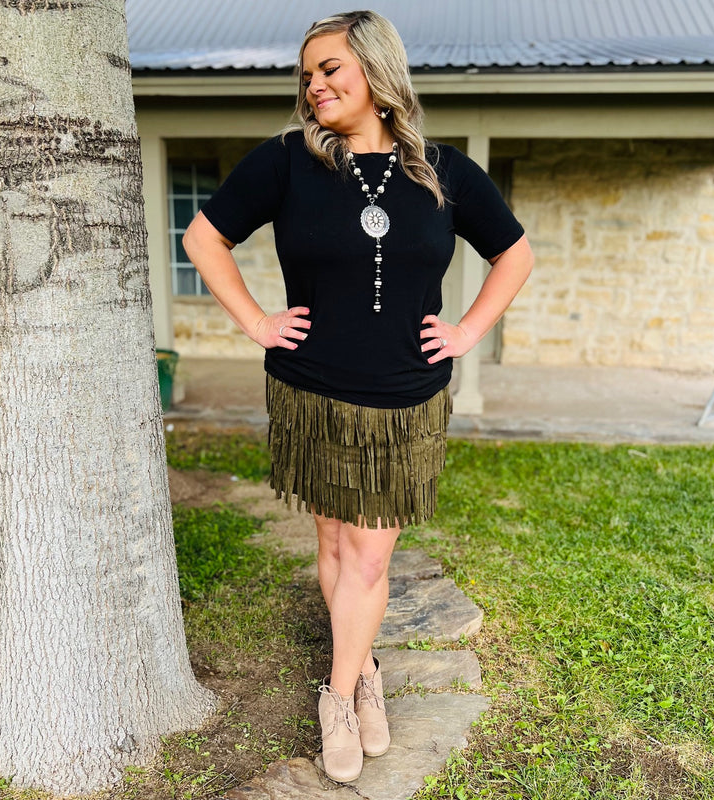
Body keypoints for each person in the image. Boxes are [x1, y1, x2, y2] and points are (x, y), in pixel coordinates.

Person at [183, 9, 533, 784]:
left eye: (330, 68)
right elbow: (203, 238)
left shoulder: (442, 171)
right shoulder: (287, 162)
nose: (314, 85)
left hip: (405, 400)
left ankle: (338, 697)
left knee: (370, 556)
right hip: (311, 393)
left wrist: (468, 331)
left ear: (376, 71)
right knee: (336, 545)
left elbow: (514, 253)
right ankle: (364, 668)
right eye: (307, 74)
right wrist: (258, 323)